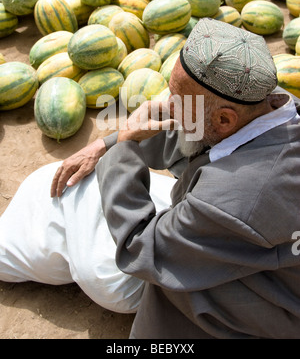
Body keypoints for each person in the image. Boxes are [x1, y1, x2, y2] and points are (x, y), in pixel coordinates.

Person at [1, 18, 300, 339]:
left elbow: (140, 248)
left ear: (224, 118)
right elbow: (191, 134)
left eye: (176, 98)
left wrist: (125, 146)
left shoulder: (236, 200)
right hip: (257, 252)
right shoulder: (269, 104)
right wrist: (105, 144)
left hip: (269, 304)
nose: (165, 105)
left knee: (101, 258)